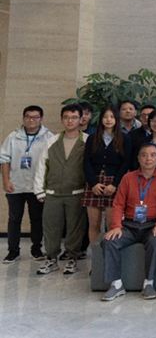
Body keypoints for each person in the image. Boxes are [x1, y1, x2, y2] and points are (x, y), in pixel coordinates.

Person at [100, 143, 156, 301]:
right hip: (129, 225)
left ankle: (149, 283)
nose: (148, 159)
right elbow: (118, 204)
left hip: (152, 225)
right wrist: (116, 226)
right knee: (109, 241)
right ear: (138, 158)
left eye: (153, 155)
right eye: (144, 155)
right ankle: (116, 284)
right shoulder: (128, 178)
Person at [34, 104, 87, 276]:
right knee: (51, 227)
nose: (70, 121)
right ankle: (51, 259)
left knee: (75, 229)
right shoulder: (52, 141)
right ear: (61, 120)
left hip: (77, 193)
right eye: (66, 117)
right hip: (52, 193)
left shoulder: (87, 141)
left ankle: (72, 258)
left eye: (74, 117)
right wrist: (39, 191)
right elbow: (42, 166)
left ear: (81, 119)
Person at [1, 105, 53, 263]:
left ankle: (36, 249)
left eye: (35, 117)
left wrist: (47, 185)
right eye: (28, 117)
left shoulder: (48, 137)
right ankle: (13, 251)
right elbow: (4, 160)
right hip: (15, 185)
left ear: (41, 119)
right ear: (23, 118)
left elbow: (53, 162)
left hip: (37, 187)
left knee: (37, 219)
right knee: (14, 219)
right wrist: (6, 181)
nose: (31, 120)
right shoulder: (13, 136)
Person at [82, 106, 132, 248]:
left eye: (112, 117)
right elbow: (86, 162)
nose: (108, 120)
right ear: (100, 119)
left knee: (111, 223)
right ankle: (96, 256)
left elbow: (126, 163)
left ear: (117, 119)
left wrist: (115, 184)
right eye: (105, 117)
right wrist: (93, 183)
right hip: (94, 183)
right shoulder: (92, 138)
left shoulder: (125, 138)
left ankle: (109, 254)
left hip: (114, 183)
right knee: (94, 223)